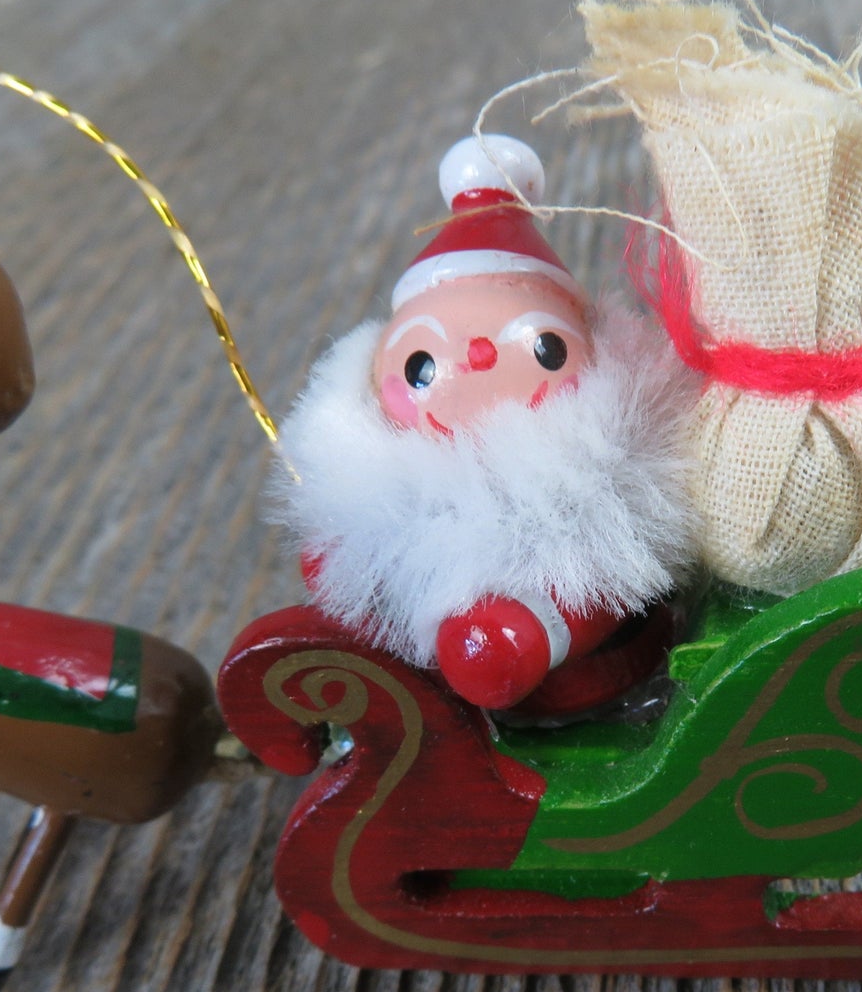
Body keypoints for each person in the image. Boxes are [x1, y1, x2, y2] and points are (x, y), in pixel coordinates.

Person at [275, 134, 696, 711]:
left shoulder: (599, 494)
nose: (476, 361)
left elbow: (591, 594)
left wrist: (520, 631)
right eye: (421, 366)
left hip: (601, 689)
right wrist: (357, 567)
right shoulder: (384, 491)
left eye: (545, 350)